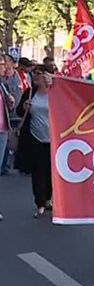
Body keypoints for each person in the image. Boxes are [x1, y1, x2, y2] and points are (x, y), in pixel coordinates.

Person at [16, 65, 54, 217]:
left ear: (48, 76)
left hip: (53, 139)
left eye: (39, 73)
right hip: (35, 138)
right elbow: (19, 111)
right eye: (34, 73)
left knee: (51, 172)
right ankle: (40, 203)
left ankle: (48, 199)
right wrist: (24, 107)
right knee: (38, 171)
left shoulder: (55, 93)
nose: (36, 76)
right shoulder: (30, 93)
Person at [1, 56, 16, 220]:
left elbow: (8, 104)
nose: (4, 68)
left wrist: (10, 102)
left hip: (3, 129)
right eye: (2, 65)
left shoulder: (3, 86)